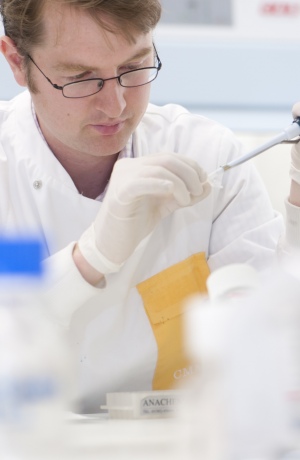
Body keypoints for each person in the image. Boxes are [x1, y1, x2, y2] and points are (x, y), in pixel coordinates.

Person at [0, 0, 296, 413]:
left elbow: (275, 336)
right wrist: (91, 257)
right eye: (80, 78)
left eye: (134, 68)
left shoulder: (205, 153)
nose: (117, 105)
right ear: (17, 62)